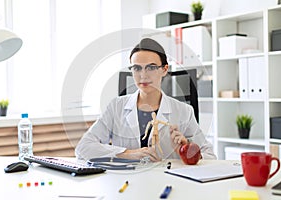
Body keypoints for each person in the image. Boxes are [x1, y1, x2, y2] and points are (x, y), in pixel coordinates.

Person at [75, 38, 216, 162]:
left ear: (164, 69)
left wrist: (187, 148)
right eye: (137, 68)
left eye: (151, 67)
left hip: (168, 183)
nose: (143, 75)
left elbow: (209, 155)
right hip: (126, 182)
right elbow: (83, 148)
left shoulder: (184, 111)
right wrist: (128, 154)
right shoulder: (116, 107)